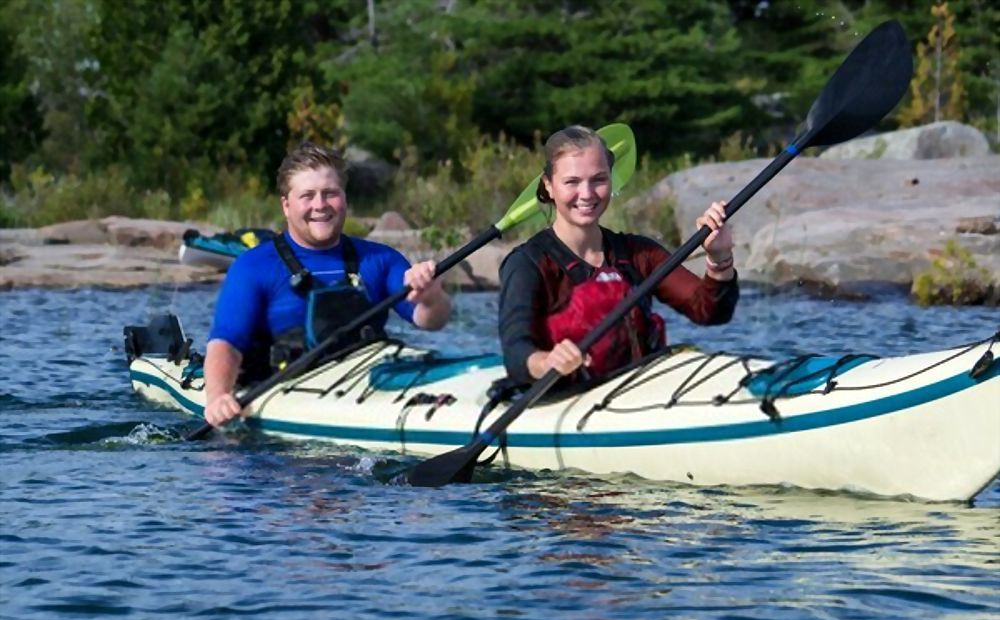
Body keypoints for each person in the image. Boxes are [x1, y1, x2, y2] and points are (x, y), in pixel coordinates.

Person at [204, 141, 452, 427]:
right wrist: (218, 396)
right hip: (283, 398)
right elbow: (226, 342)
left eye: (330, 193)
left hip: (365, 387)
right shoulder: (253, 266)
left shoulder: (380, 259)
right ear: (286, 205)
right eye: (307, 196)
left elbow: (430, 321)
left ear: (344, 198)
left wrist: (431, 296)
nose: (320, 205)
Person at [498, 125, 738, 385]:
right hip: (565, 399)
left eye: (599, 179)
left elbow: (710, 312)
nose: (587, 194)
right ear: (549, 186)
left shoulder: (639, 253)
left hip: (635, 395)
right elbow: (515, 353)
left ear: (611, 180)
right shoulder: (528, 263)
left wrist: (719, 258)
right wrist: (545, 362)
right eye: (572, 182)